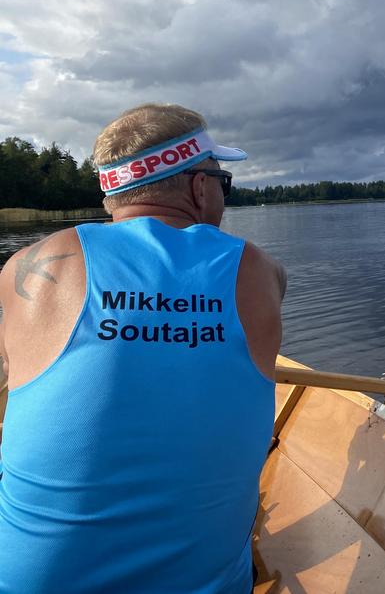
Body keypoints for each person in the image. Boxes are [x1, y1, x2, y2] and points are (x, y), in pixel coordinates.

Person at [0, 103, 286, 593]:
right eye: (222, 181)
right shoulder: (259, 273)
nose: (221, 193)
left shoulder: (27, 268)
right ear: (199, 186)